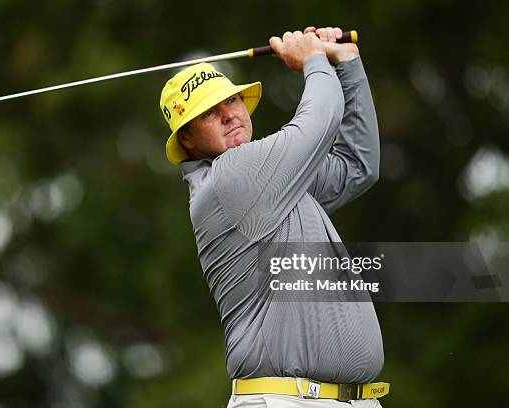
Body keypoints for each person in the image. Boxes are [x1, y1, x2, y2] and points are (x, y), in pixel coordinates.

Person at [159, 26, 388, 407]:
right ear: (188, 139)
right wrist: (313, 58)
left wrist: (346, 61)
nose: (229, 115)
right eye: (209, 114)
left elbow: (358, 165)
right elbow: (321, 119)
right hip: (283, 400)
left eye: (231, 102)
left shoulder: (275, 182)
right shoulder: (230, 177)